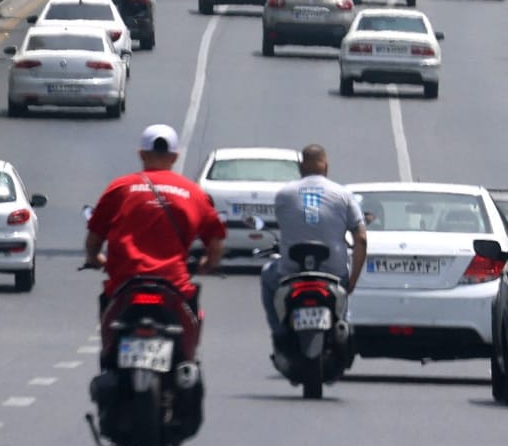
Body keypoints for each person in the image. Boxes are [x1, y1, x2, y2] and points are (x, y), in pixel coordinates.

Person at [85, 124, 227, 322]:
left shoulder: (120, 188)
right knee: (193, 321)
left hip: (124, 282)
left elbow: (94, 238)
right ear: (175, 157)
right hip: (174, 284)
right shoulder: (194, 193)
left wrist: (95, 259)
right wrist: (208, 264)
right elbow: (215, 240)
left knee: (108, 324)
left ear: (142, 154)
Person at [259, 144, 366, 352]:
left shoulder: (283, 195)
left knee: (266, 275)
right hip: (333, 271)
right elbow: (360, 239)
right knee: (344, 306)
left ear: (301, 167)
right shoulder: (343, 195)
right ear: (326, 166)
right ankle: (343, 326)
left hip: (291, 270)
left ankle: (279, 331)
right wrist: (351, 281)